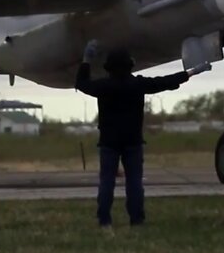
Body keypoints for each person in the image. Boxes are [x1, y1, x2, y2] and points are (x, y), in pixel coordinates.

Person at [74, 40, 211, 229]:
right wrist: (192, 71)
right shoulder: (138, 84)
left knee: (106, 181)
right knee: (134, 182)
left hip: (108, 142)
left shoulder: (103, 86)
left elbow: (81, 84)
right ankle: (137, 219)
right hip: (133, 141)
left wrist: (86, 60)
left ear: (108, 67)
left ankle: (104, 220)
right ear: (130, 64)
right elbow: (165, 82)